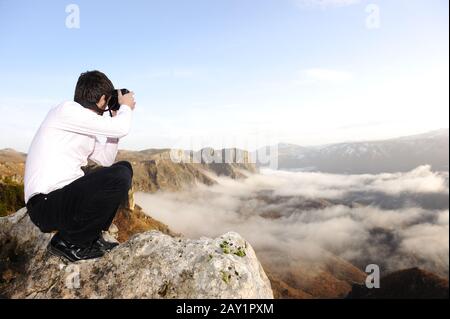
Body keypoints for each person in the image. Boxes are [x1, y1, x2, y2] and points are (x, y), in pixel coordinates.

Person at [24, 70, 136, 262]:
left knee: (124, 168)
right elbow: (122, 128)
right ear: (103, 99)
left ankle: (91, 237)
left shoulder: (80, 124)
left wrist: (114, 116)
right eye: (108, 101)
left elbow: (106, 160)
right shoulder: (66, 110)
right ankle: (70, 243)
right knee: (119, 176)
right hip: (45, 205)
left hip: (62, 200)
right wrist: (125, 107)